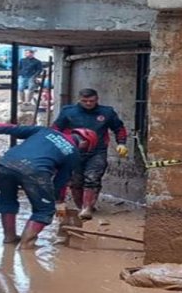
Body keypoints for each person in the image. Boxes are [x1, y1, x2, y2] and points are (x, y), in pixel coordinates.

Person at [0, 121, 96, 249]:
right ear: (84, 143)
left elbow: (8, 128)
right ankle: (26, 246)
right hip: (34, 171)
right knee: (44, 211)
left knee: (7, 199)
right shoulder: (73, 152)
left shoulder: (44, 131)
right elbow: (60, 182)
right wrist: (57, 204)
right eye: (85, 148)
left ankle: (9, 238)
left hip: (5, 164)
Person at [51, 88, 128, 220]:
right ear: (79, 100)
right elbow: (56, 129)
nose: (88, 103)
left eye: (91, 101)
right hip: (74, 152)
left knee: (92, 178)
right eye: (84, 101)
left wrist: (121, 143)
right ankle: (79, 207)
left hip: (97, 151)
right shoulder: (68, 112)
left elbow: (119, 128)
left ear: (97, 99)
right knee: (75, 181)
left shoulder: (107, 112)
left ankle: (87, 208)